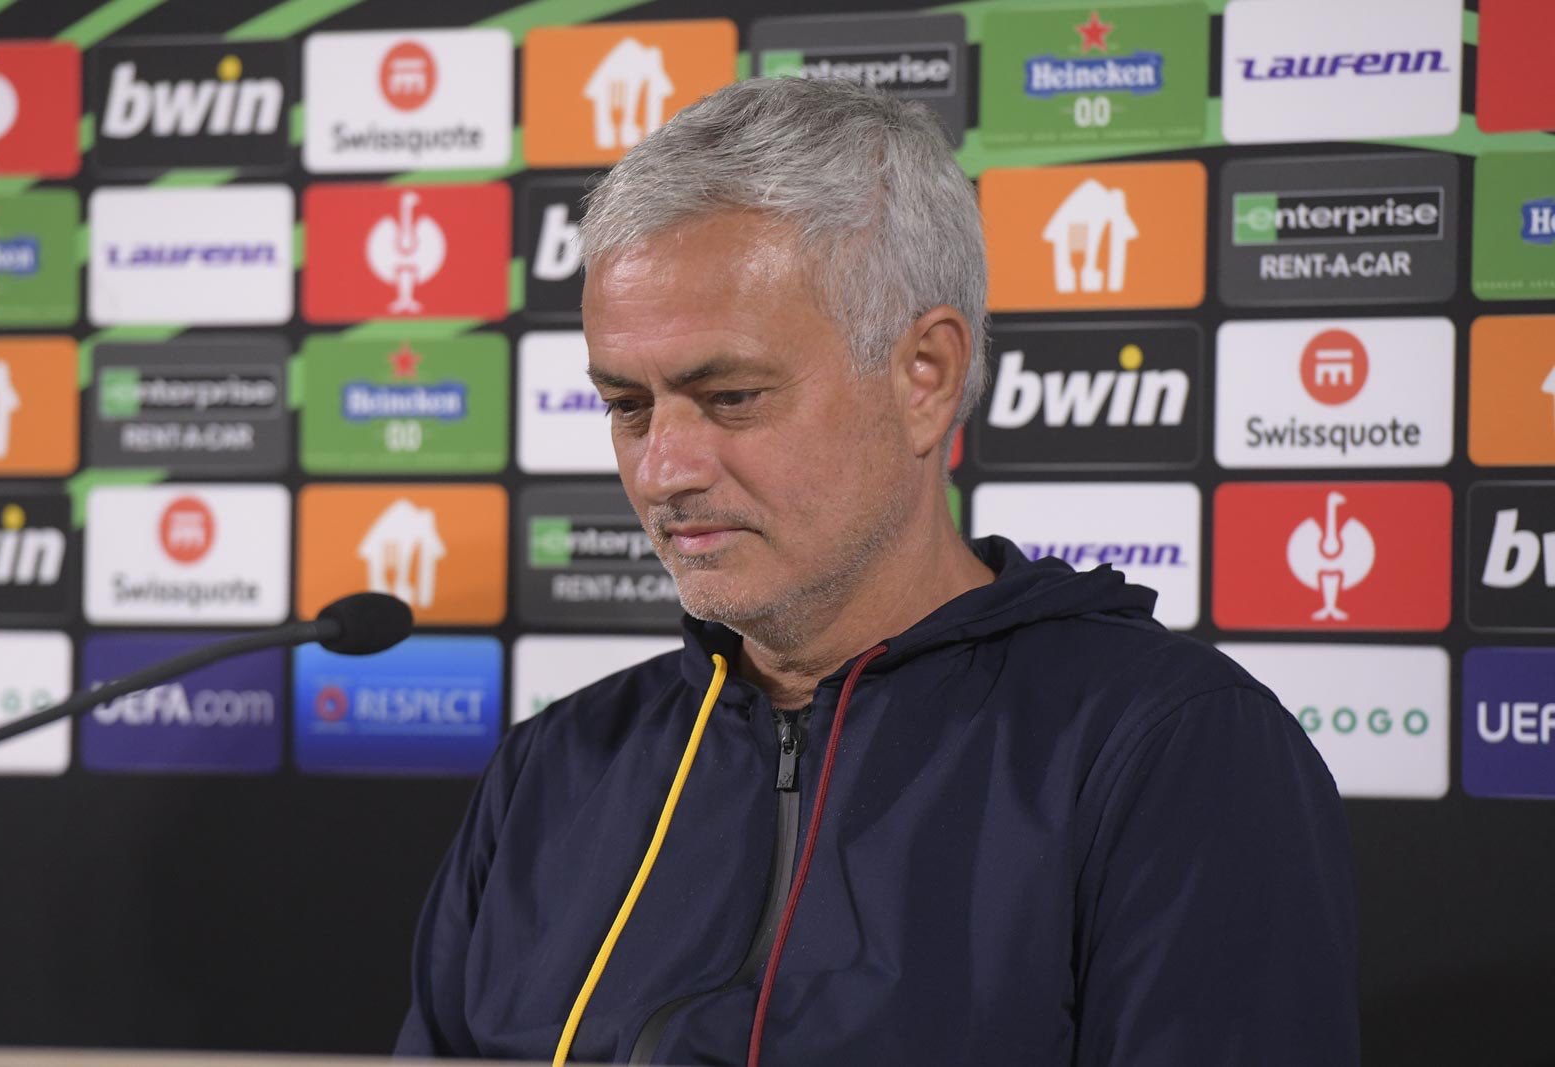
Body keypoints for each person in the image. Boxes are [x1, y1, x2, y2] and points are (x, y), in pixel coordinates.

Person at [395, 77, 1359, 1066]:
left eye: (730, 396)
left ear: (924, 375)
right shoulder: (552, 768)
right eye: (628, 406)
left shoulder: (1168, 748)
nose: (663, 469)